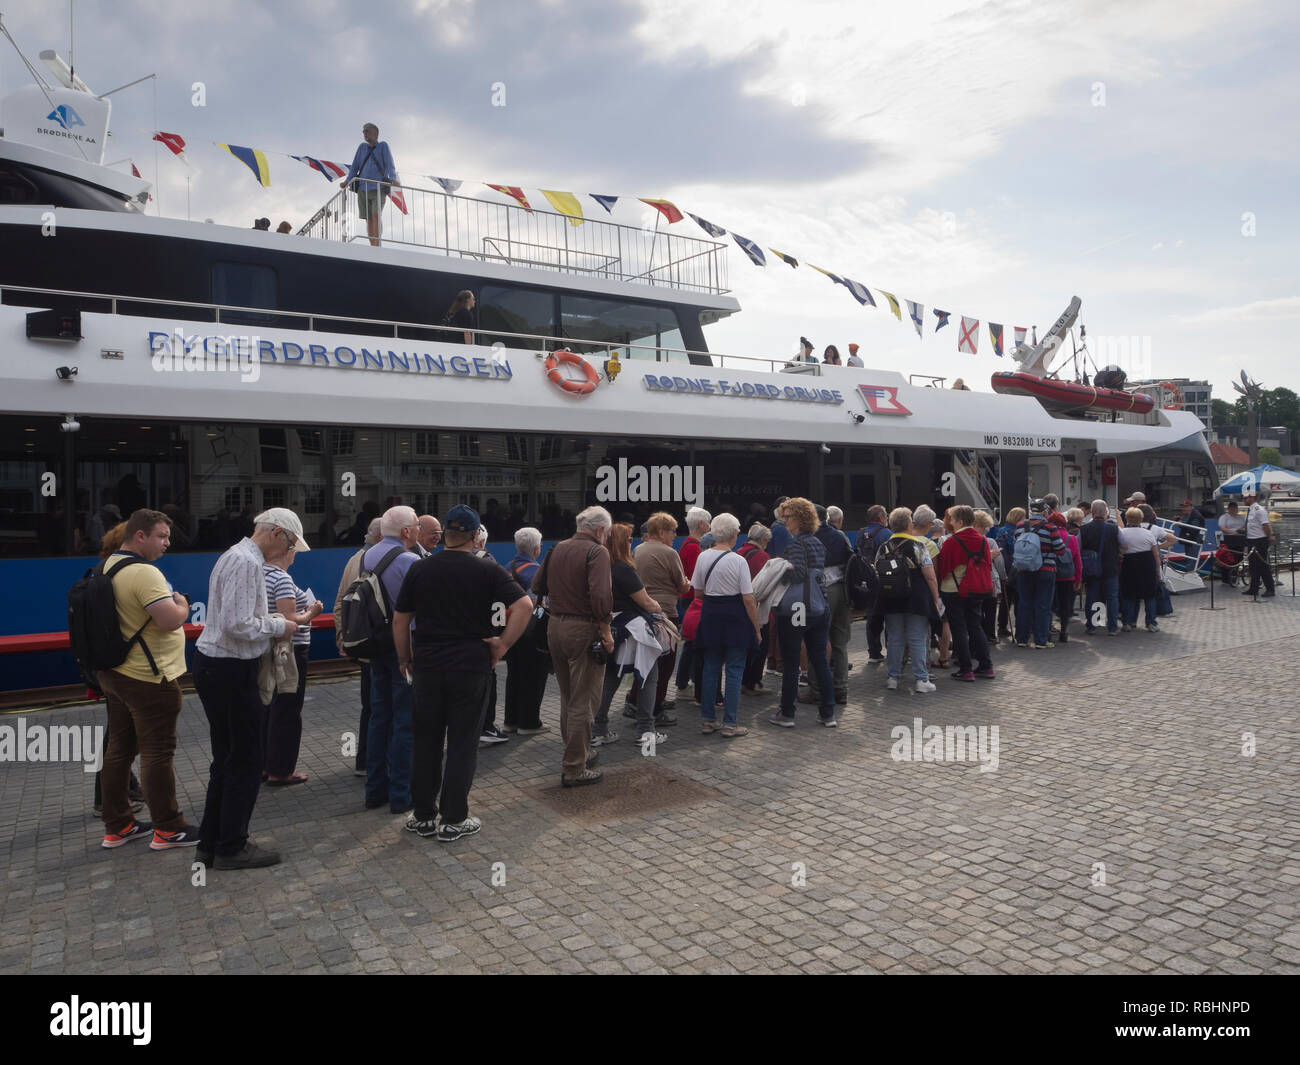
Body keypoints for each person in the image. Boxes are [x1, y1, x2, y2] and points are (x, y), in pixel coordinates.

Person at [393, 505, 531, 841]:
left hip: (427, 666)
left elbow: (401, 619)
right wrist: (502, 644)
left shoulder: (420, 568)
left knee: (425, 741)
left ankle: (423, 816)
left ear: (445, 536)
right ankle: (454, 819)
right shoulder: (487, 569)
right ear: (474, 536)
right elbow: (525, 605)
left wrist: (404, 658)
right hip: (470, 666)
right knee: (462, 742)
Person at [193, 508, 305, 869]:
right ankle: (231, 846)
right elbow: (237, 624)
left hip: (216, 666)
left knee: (226, 758)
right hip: (231, 668)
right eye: (289, 543)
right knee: (246, 758)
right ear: (275, 532)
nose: (289, 551)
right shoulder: (248, 562)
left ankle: (210, 842)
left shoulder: (233, 555)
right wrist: (280, 624)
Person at [97, 509, 199, 850]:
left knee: (119, 750)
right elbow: (169, 620)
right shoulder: (144, 573)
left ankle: (118, 826)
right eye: (162, 536)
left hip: (116, 674)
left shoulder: (108, 566)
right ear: (139, 536)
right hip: (150, 677)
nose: (167, 543)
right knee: (158, 753)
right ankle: (169, 828)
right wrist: (182, 605)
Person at [531, 506, 614, 787]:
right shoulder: (597, 552)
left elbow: (535, 583)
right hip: (584, 629)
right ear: (600, 530)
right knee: (585, 699)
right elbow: (601, 596)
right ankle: (575, 767)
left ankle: (578, 752)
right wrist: (605, 630)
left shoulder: (556, 548)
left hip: (555, 626)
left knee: (568, 696)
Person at [362, 506, 421, 813]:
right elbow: (420, 609)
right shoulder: (410, 561)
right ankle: (402, 796)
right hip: (403, 648)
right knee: (405, 722)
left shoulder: (368, 555)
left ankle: (375, 791)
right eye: (416, 527)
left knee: (379, 717)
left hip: (376, 646)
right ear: (407, 532)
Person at [591, 524, 671, 747]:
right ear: (618, 542)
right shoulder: (623, 568)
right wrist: (657, 608)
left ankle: (597, 729)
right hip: (633, 630)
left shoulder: (599, 566)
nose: (631, 543)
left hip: (610, 627)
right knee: (648, 676)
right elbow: (645, 601)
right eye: (627, 540)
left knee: (610, 678)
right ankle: (646, 731)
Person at [768, 498, 836, 726]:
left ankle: (787, 713)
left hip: (797, 609)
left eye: (787, 516)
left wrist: (779, 573)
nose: (784, 520)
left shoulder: (795, 544)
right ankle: (828, 714)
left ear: (800, 518)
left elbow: (797, 574)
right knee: (819, 660)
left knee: (791, 662)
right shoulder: (817, 542)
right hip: (819, 606)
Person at [693, 514, 760, 737]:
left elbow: (698, 592)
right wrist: (757, 629)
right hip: (735, 617)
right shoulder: (739, 561)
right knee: (734, 670)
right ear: (733, 534)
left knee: (710, 668)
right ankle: (731, 724)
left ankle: (707, 721)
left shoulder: (703, 557)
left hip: (711, 614)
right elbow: (748, 599)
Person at [262, 548, 322, 786]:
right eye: (294, 552)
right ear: (285, 553)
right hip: (289, 650)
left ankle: (265, 766)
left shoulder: (260, 573)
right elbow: (290, 619)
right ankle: (281, 769)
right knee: (287, 708)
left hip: (269, 648)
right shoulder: (281, 578)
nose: (296, 556)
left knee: (268, 706)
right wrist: (311, 612)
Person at [630, 512, 690, 721]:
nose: (675, 535)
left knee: (646, 659)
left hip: (642, 611)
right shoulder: (669, 553)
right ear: (662, 532)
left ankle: (634, 699)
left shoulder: (638, 550)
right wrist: (688, 583)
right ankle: (656, 708)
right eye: (673, 531)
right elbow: (682, 585)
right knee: (666, 663)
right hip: (665, 613)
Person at [334, 517, 382, 777]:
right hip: (373, 647)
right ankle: (369, 762)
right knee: (377, 708)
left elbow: (340, 602)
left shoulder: (355, 558)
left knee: (370, 707)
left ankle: (364, 761)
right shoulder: (372, 562)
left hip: (360, 645)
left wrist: (344, 640)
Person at [876, 507, 941, 693]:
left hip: (890, 597)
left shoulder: (884, 547)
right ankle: (921, 680)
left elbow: (877, 570)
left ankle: (893, 678)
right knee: (917, 638)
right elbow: (930, 576)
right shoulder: (917, 546)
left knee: (894, 638)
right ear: (909, 524)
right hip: (916, 598)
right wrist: (935, 599)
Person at [936, 505, 994, 681]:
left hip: (954, 591)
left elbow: (943, 568)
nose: (951, 522)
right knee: (975, 626)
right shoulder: (983, 540)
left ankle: (966, 669)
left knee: (959, 629)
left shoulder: (951, 542)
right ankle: (986, 666)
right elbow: (988, 565)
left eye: (952, 519)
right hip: (977, 589)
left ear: (960, 521)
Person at [502, 527, 550, 735]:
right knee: (534, 676)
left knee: (514, 675)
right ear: (537, 548)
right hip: (530, 632)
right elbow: (540, 603)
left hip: (510, 630)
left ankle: (510, 721)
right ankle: (529, 723)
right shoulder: (534, 571)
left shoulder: (507, 566)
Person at [805, 505, 852, 705]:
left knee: (817, 641)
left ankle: (816, 690)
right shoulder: (840, 536)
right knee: (840, 642)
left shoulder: (808, 538)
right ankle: (841, 689)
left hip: (819, 592)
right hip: (842, 590)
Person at [1012, 500, 1066, 649]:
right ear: (1045, 511)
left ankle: (1022, 639)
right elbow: (1060, 550)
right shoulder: (1050, 527)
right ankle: (1041, 640)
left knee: (1024, 604)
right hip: (1046, 570)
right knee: (1043, 605)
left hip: (1024, 570)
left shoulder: (1020, 526)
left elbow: (1015, 545)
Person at [674, 507, 711, 702]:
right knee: (692, 642)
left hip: (689, 597)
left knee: (690, 641)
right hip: (694, 598)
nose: (710, 527)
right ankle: (683, 683)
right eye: (709, 523)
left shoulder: (688, 545)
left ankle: (683, 682)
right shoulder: (694, 548)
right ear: (701, 525)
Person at [340, 122, 397, 247]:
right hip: (363, 189)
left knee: (376, 215)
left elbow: (390, 164)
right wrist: (347, 181)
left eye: (367, 131)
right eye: (364, 131)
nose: (365, 133)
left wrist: (393, 179)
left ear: (375, 133)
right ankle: (373, 245)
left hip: (378, 188)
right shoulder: (362, 147)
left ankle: (377, 244)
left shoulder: (383, 146)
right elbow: (354, 167)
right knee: (368, 219)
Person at [856, 504, 892, 663]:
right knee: (890, 618)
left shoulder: (861, 534)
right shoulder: (887, 534)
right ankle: (892, 650)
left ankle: (874, 653)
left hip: (867, 581)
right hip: (886, 580)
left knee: (872, 617)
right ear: (881, 518)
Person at [738, 523, 772, 694]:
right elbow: (766, 585)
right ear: (764, 540)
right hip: (756, 608)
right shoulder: (762, 556)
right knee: (761, 644)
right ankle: (751, 683)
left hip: (739, 607)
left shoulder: (738, 553)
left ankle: (743, 680)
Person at [1079, 500, 1121, 636]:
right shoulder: (1114, 528)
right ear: (1106, 513)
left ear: (1091, 512)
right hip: (1110, 568)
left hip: (1091, 569)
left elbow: (1078, 547)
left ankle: (1092, 625)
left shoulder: (1084, 529)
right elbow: (1125, 543)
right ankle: (1113, 627)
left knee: (1092, 596)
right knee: (1112, 597)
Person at [1119, 506, 1163, 630]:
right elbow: (1156, 555)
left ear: (1127, 518)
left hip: (1129, 567)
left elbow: (1120, 551)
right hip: (1147, 567)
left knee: (1129, 595)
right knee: (1150, 596)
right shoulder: (1148, 534)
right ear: (1141, 519)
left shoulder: (1122, 533)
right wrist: (1158, 572)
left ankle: (1127, 622)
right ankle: (1151, 623)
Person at [972, 509, 1004, 643]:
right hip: (990, 578)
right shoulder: (990, 542)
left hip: (974, 580)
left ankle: (978, 634)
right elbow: (999, 562)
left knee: (977, 609)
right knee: (990, 609)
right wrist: (1004, 577)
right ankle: (990, 634)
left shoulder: (969, 541)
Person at [1053, 509, 1083, 643]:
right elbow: (1077, 561)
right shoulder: (1071, 538)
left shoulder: (1048, 536)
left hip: (1051, 574)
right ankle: (1064, 631)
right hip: (1067, 577)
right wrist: (1078, 579)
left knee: (1049, 604)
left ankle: (1047, 629)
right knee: (1065, 604)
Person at [1242, 489, 1275, 597]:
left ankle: (1270, 589)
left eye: (1245, 498)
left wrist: (1269, 536)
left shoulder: (1259, 510)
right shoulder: (1250, 510)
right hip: (1251, 540)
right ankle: (1253, 588)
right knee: (1253, 566)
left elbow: (1265, 525)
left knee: (1262, 566)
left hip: (1259, 541)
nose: (1244, 500)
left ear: (1251, 498)